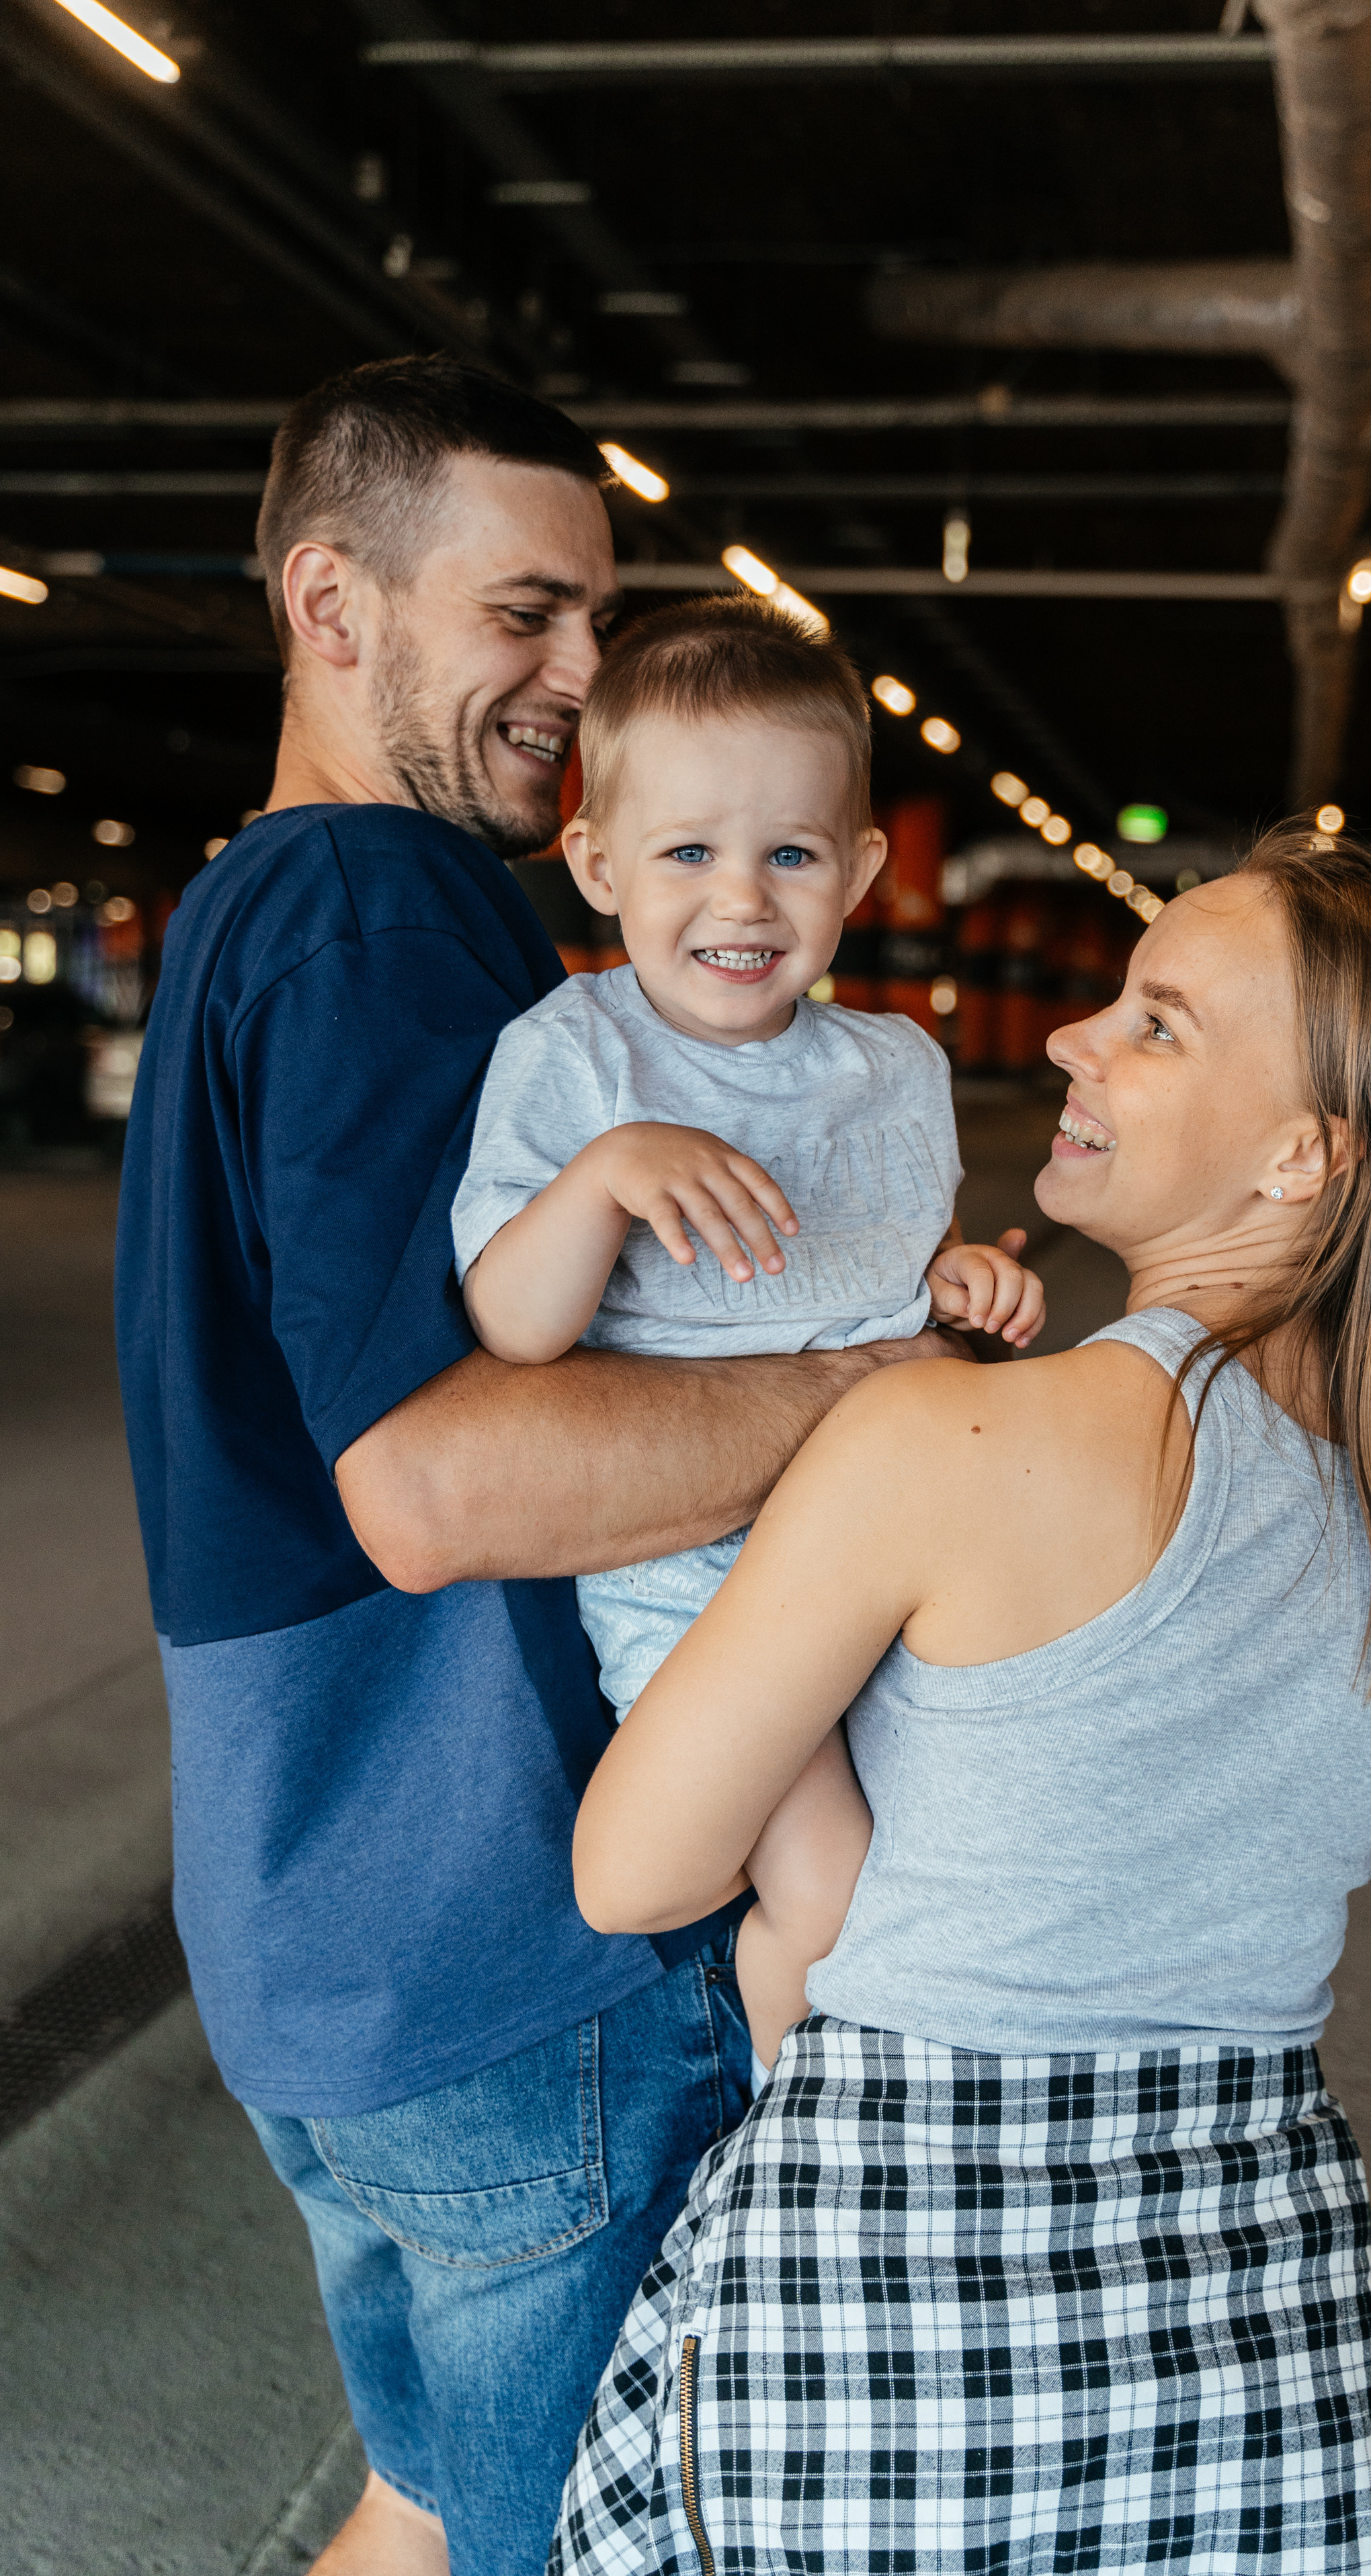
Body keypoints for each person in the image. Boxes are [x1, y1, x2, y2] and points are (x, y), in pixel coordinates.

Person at [114, 355, 959, 2576]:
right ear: (332, 605)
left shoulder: (264, 906)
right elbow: (437, 1486)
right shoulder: (377, 914)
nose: (583, 672)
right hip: (499, 1930)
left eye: (597, 615)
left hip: (324, 1929)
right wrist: (882, 1398)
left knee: (427, 2518)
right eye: (524, 614)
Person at [549, 826, 1371, 2574]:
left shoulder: (950, 1439)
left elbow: (635, 1871)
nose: (1074, 1036)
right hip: (1262, 2323)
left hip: (890, 2317)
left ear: (1303, 1154)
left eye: (1156, 1023)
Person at [452, 596, 1044, 2073]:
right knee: (829, 1887)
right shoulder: (576, 1055)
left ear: (860, 872)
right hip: (697, 1581)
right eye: (687, 855)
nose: (742, 900)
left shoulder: (893, 1065)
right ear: (596, 864)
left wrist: (961, 1281)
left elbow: (885, 1288)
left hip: (906, 1552)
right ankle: (797, 2145)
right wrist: (602, 1179)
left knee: (970, 1864)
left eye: (790, 855)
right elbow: (512, 1327)